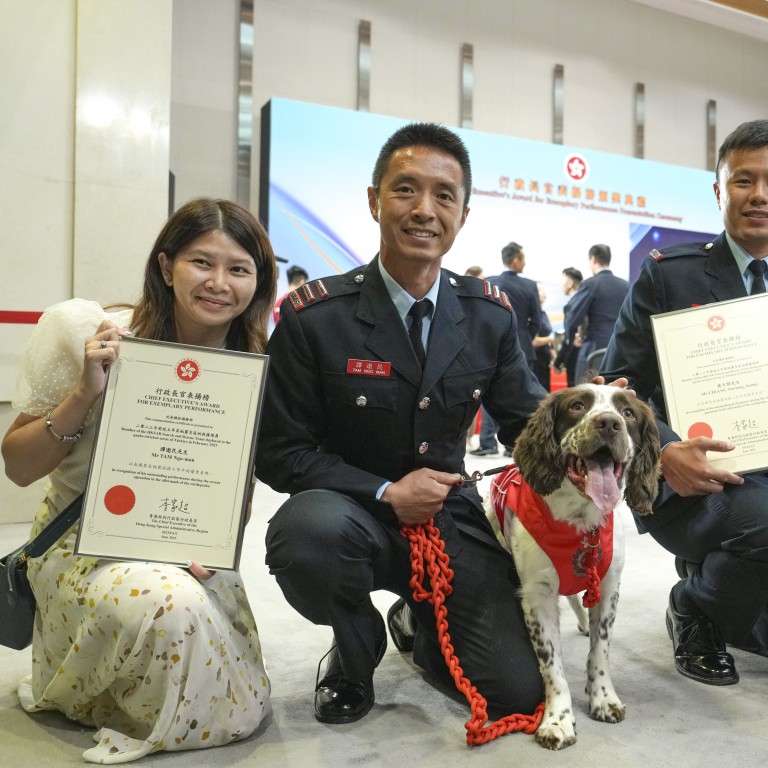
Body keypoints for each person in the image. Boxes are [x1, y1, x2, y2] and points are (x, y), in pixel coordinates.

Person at [255, 122, 550, 726]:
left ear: (463, 214)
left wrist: (599, 418)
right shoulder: (316, 319)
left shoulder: (488, 316)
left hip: (450, 518)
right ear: (373, 201)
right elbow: (280, 453)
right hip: (349, 514)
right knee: (306, 536)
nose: (424, 210)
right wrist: (386, 491)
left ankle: (418, 619)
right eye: (405, 190)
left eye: (444, 196)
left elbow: (530, 422)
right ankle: (353, 643)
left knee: (515, 693)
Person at [1, 198, 276, 763]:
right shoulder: (91, 331)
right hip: (82, 547)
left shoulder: (254, 363)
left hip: (187, 548)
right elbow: (19, 467)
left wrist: (205, 546)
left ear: (258, 282)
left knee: (235, 690)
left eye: (239, 269)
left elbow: (236, 493)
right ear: (165, 264)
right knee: (171, 606)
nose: (218, 283)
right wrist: (86, 391)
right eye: (202, 262)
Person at [601, 119, 768, 686]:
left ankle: (732, 595)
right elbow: (616, 387)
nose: (760, 195)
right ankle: (696, 606)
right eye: (744, 180)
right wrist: (666, 450)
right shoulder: (670, 276)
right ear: (719, 191)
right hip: (692, 482)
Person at [470, 242, 542, 456]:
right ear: (515, 260)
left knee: (489, 395)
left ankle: (487, 442)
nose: (525, 262)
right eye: (523, 258)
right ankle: (514, 446)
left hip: (491, 346)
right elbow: (536, 320)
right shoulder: (529, 285)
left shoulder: (490, 282)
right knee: (521, 394)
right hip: (523, 347)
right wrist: (527, 336)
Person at [565, 244, 628, 384]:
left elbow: (572, 319)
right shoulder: (626, 285)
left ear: (593, 259)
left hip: (593, 350)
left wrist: (571, 340)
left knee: (584, 396)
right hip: (620, 350)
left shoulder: (590, 284)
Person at [552, 267, 583, 386]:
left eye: (562, 280)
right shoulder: (585, 300)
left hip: (575, 358)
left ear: (570, 283)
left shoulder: (573, 305)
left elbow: (569, 337)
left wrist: (558, 362)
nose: (560, 284)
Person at [531, 282, 555, 392]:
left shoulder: (543, 313)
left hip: (544, 358)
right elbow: (533, 341)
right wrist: (551, 339)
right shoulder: (531, 314)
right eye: (540, 290)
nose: (544, 293)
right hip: (535, 359)